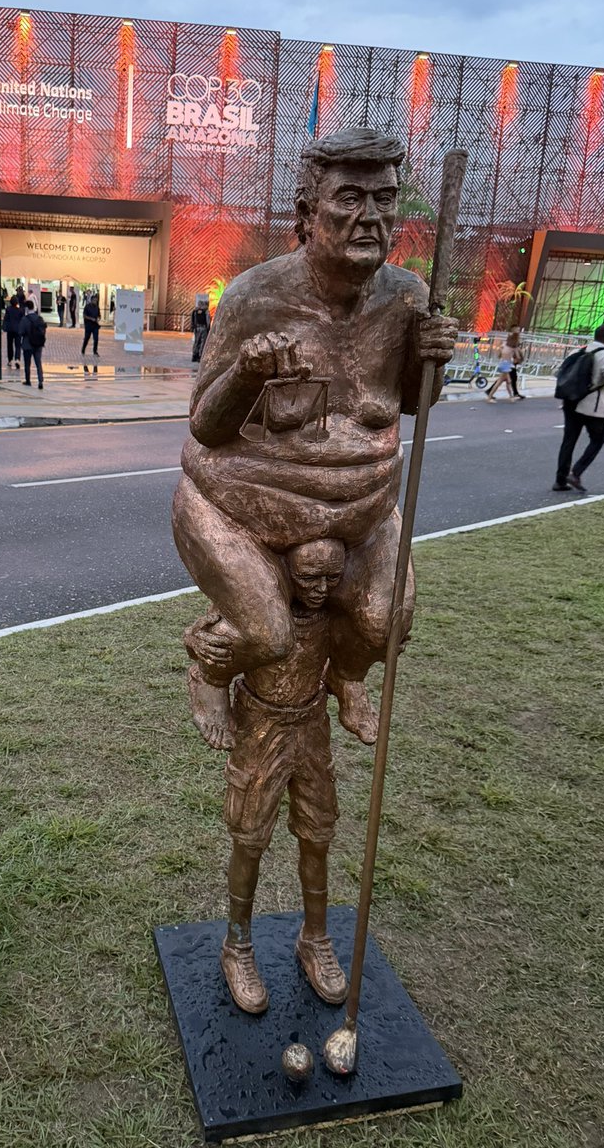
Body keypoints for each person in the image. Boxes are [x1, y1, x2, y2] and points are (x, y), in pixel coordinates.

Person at [172, 126, 457, 755]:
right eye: (350, 199)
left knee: (388, 623)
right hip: (243, 508)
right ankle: (209, 665)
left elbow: (409, 404)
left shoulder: (409, 298)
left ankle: (347, 679)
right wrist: (248, 373)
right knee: (266, 635)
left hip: (362, 513)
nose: (371, 218)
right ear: (307, 214)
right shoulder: (255, 295)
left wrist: (430, 360)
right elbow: (206, 426)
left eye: (385, 201)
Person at [184, 540, 351, 1009]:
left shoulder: (335, 613)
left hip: (312, 729)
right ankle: (237, 946)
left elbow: (345, 663)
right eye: (308, 578)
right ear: (284, 572)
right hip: (262, 731)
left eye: (331, 579)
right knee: (250, 839)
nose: (320, 589)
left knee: (318, 835)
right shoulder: (253, 611)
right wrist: (210, 700)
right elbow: (203, 654)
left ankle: (314, 938)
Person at [553, 323, 604, 493]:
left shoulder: (578, 351)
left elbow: (559, 373)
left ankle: (560, 480)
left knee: (569, 440)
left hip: (571, 402)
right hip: (592, 407)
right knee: (598, 440)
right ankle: (576, 472)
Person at [486, 331, 523, 401]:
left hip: (503, 363)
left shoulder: (504, 345)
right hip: (507, 365)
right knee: (501, 382)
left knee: (507, 382)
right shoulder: (513, 347)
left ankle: (511, 397)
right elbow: (518, 357)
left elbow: (499, 355)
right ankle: (489, 397)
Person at [19, 299, 46, 389]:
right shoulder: (39, 318)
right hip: (38, 344)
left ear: (26, 308)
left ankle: (28, 380)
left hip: (27, 344)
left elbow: (21, 332)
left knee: (27, 363)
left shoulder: (25, 319)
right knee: (38, 363)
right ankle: (40, 381)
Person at [3, 288, 27, 369]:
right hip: (18, 330)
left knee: (9, 345)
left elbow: (6, 318)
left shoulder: (8, 309)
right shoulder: (20, 311)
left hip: (10, 330)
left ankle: (10, 360)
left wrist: (4, 327)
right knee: (18, 345)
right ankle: (17, 359)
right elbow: (23, 320)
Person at [81, 291, 101, 372]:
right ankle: (83, 349)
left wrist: (98, 318)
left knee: (96, 338)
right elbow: (84, 316)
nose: (95, 302)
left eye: (96, 301)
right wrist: (91, 318)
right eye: (94, 300)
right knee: (87, 338)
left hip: (95, 325)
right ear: (91, 300)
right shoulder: (87, 307)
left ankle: (95, 351)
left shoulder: (97, 307)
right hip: (88, 325)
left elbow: (99, 315)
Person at [191, 298, 210, 363]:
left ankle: (194, 355)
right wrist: (208, 328)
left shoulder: (195, 311)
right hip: (204, 328)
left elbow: (192, 320)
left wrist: (193, 327)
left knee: (196, 342)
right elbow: (208, 321)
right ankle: (200, 355)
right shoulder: (206, 311)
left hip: (197, 328)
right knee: (202, 342)